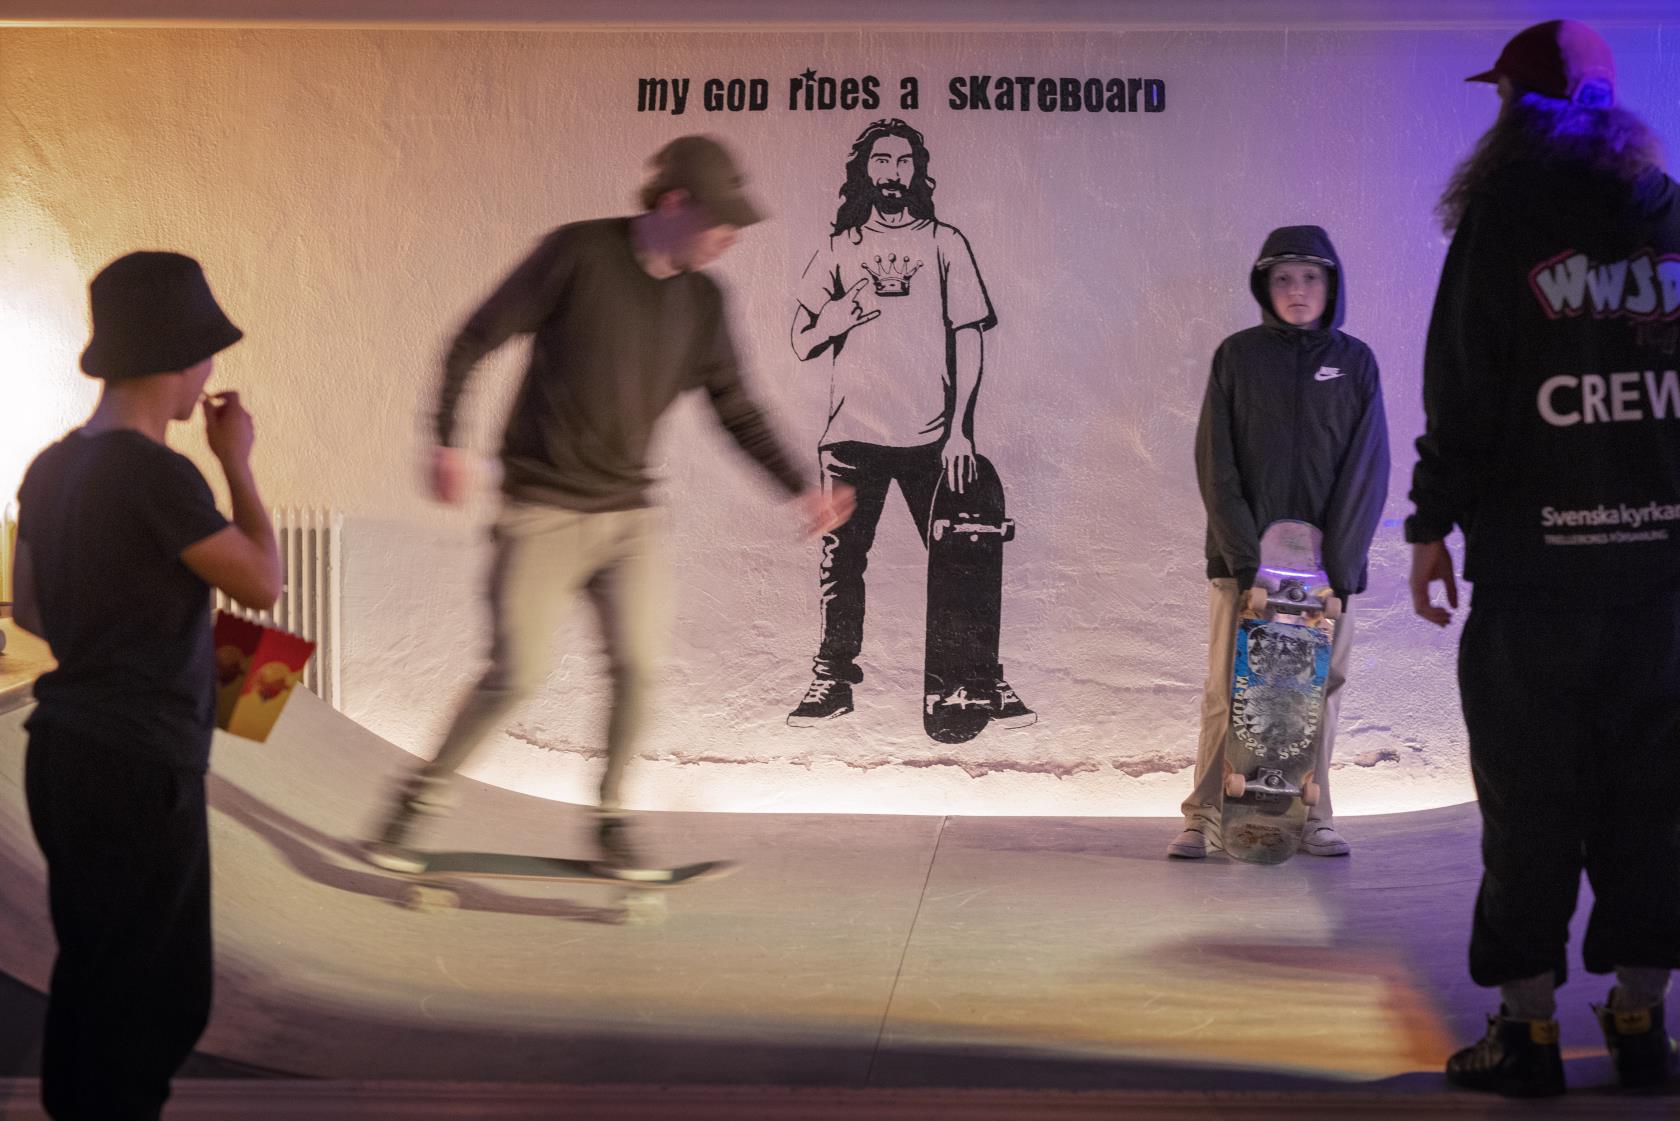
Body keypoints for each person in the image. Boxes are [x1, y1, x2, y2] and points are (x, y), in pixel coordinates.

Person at [367, 135, 851, 871]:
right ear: (674, 203)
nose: (729, 237)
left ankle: (611, 819)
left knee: (639, 664)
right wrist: (446, 440)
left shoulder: (702, 299)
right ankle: (416, 801)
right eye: (720, 220)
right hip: (540, 509)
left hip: (627, 518)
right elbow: (471, 339)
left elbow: (735, 406)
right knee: (517, 672)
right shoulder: (576, 255)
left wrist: (797, 487)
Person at [1407, 19, 1680, 1097]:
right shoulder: (1671, 217)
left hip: (1535, 581)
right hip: (1660, 581)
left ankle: (1525, 1036)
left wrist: (1431, 523)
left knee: (1529, 801)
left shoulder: (1500, 219)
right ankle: (1641, 1023)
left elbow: (1462, 386)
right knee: (1658, 803)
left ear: (1516, 109)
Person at [12, 251, 279, 1121]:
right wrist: (237, 459)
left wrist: (131, 631)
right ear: (178, 355)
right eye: (205, 354)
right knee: (158, 996)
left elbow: (36, 615)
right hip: (138, 764)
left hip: (63, 751)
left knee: (95, 974)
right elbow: (262, 583)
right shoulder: (159, 473)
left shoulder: (49, 468)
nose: (208, 374)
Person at [785, 117, 1034, 730]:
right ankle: (831, 681)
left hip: (931, 439)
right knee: (840, 564)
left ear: (916, 172)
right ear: (864, 172)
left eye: (902, 161)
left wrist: (960, 430)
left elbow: (969, 337)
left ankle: (982, 681)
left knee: (964, 562)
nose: (892, 173)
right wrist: (839, 316)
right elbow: (801, 338)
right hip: (850, 442)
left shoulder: (945, 241)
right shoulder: (841, 248)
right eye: (881, 161)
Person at [1170, 225, 1390, 860]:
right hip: (1246, 568)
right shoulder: (1237, 356)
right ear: (1265, 285)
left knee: (1317, 692)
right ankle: (1205, 816)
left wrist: (1338, 572)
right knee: (1228, 688)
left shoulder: (1355, 362)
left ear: (1332, 285)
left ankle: (1313, 813)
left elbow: (1366, 470)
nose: (1298, 290)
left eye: (1311, 277)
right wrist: (1246, 564)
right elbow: (1218, 463)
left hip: (1325, 573)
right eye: (1284, 278)